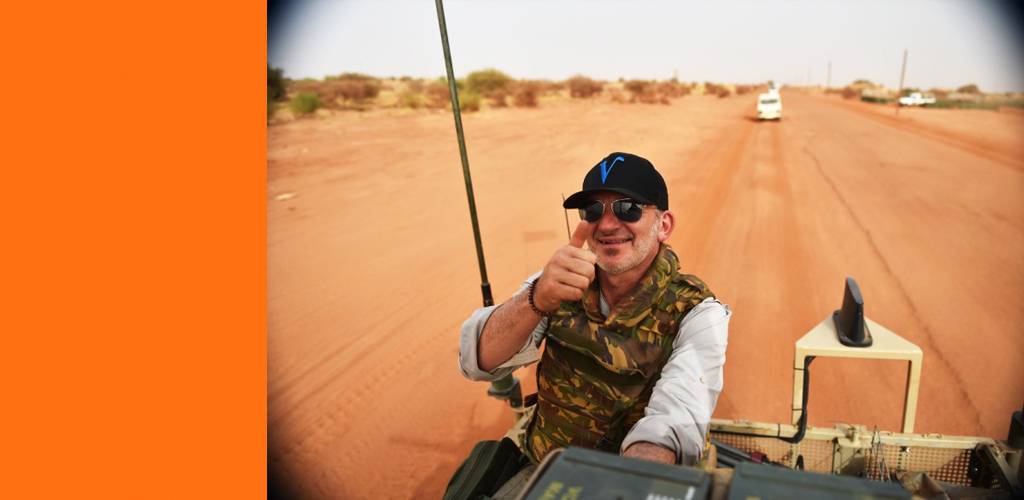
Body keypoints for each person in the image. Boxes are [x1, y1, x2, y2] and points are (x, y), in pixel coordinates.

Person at [458, 152, 731, 469]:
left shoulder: (697, 312)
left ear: (664, 225)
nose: (607, 225)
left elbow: (674, 416)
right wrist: (535, 299)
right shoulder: (557, 283)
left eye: (628, 208)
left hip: (627, 479)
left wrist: (621, 482)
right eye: (593, 211)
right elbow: (477, 362)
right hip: (543, 468)